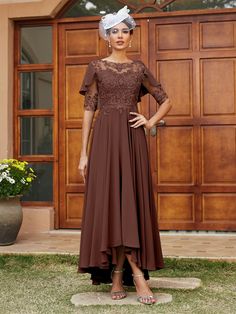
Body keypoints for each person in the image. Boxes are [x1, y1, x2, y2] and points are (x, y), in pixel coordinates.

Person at [78, 5, 172, 305]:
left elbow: (165, 100)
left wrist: (150, 121)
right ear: (107, 36)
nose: (119, 36)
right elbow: (89, 110)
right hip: (105, 142)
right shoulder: (96, 67)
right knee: (110, 206)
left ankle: (134, 274)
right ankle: (119, 274)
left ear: (130, 36)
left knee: (129, 204)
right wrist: (83, 154)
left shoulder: (139, 68)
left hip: (132, 142)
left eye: (124, 31)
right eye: (114, 31)